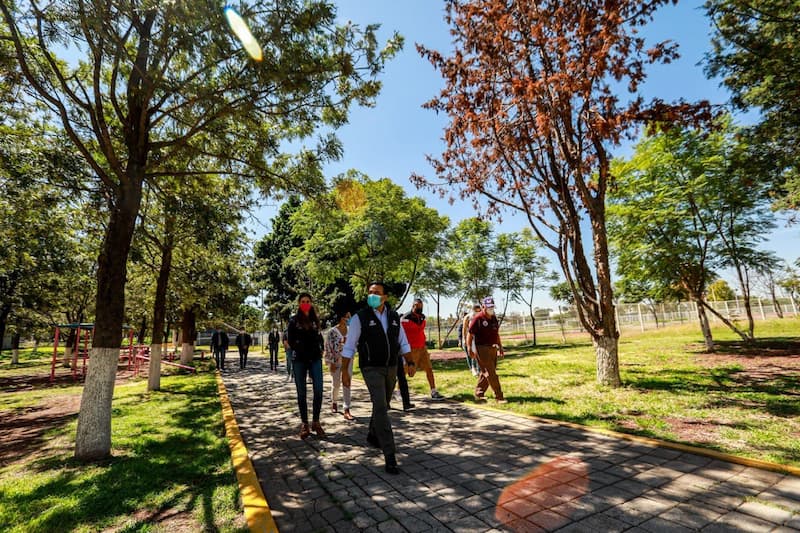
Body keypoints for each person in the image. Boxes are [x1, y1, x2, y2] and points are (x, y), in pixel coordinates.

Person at [342, 281, 411, 475]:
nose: (372, 295)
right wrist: (346, 373)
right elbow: (349, 347)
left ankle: (373, 435)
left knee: (383, 404)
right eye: (370, 292)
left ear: (385, 297)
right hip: (371, 368)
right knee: (381, 407)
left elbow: (402, 341)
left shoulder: (394, 317)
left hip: (391, 367)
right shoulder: (359, 318)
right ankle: (390, 455)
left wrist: (410, 362)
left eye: (377, 293)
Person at [287, 293, 325, 439]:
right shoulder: (293, 320)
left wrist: (320, 348)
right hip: (300, 360)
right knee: (301, 393)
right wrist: (301, 348)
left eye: (308, 301)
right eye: (302, 301)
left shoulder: (315, 320)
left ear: (311, 303)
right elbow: (290, 340)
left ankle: (316, 421)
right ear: (298, 303)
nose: (305, 303)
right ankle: (305, 423)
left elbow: (319, 337)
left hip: (315, 359)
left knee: (319, 390)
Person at [401, 298, 444, 400]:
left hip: (422, 348)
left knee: (429, 368)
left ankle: (433, 391)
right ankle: (399, 391)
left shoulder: (422, 317)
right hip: (411, 349)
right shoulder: (406, 318)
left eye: (421, 305)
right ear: (413, 306)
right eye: (417, 305)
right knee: (406, 371)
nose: (419, 307)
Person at [466, 296, 507, 404]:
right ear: (483, 306)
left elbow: (496, 333)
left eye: (492, 307)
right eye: (489, 307)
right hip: (481, 348)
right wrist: (469, 348)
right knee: (491, 373)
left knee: (487, 372)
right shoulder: (477, 318)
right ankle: (499, 396)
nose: (491, 309)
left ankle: (479, 393)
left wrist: (500, 346)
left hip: (492, 347)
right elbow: (470, 334)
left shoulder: (493, 318)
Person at [324, 311, 354, 420]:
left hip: (348, 361)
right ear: (341, 318)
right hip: (336, 361)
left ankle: (347, 408)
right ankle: (334, 402)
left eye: (349, 317)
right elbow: (328, 347)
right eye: (347, 316)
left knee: (347, 383)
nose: (348, 319)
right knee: (336, 384)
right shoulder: (332, 332)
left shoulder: (351, 331)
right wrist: (330, 362)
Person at [460, 304, 482, 376]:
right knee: (473, 354)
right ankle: (473, 368)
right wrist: (464, 339)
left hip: (478, 338)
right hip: (470, 338)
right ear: (473, 310)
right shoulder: (468, 317)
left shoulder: (481, 316)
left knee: (479, 354)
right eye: (476, 311)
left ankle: (479, 370)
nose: (478, 313)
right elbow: (464, 329)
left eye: (479, 311)